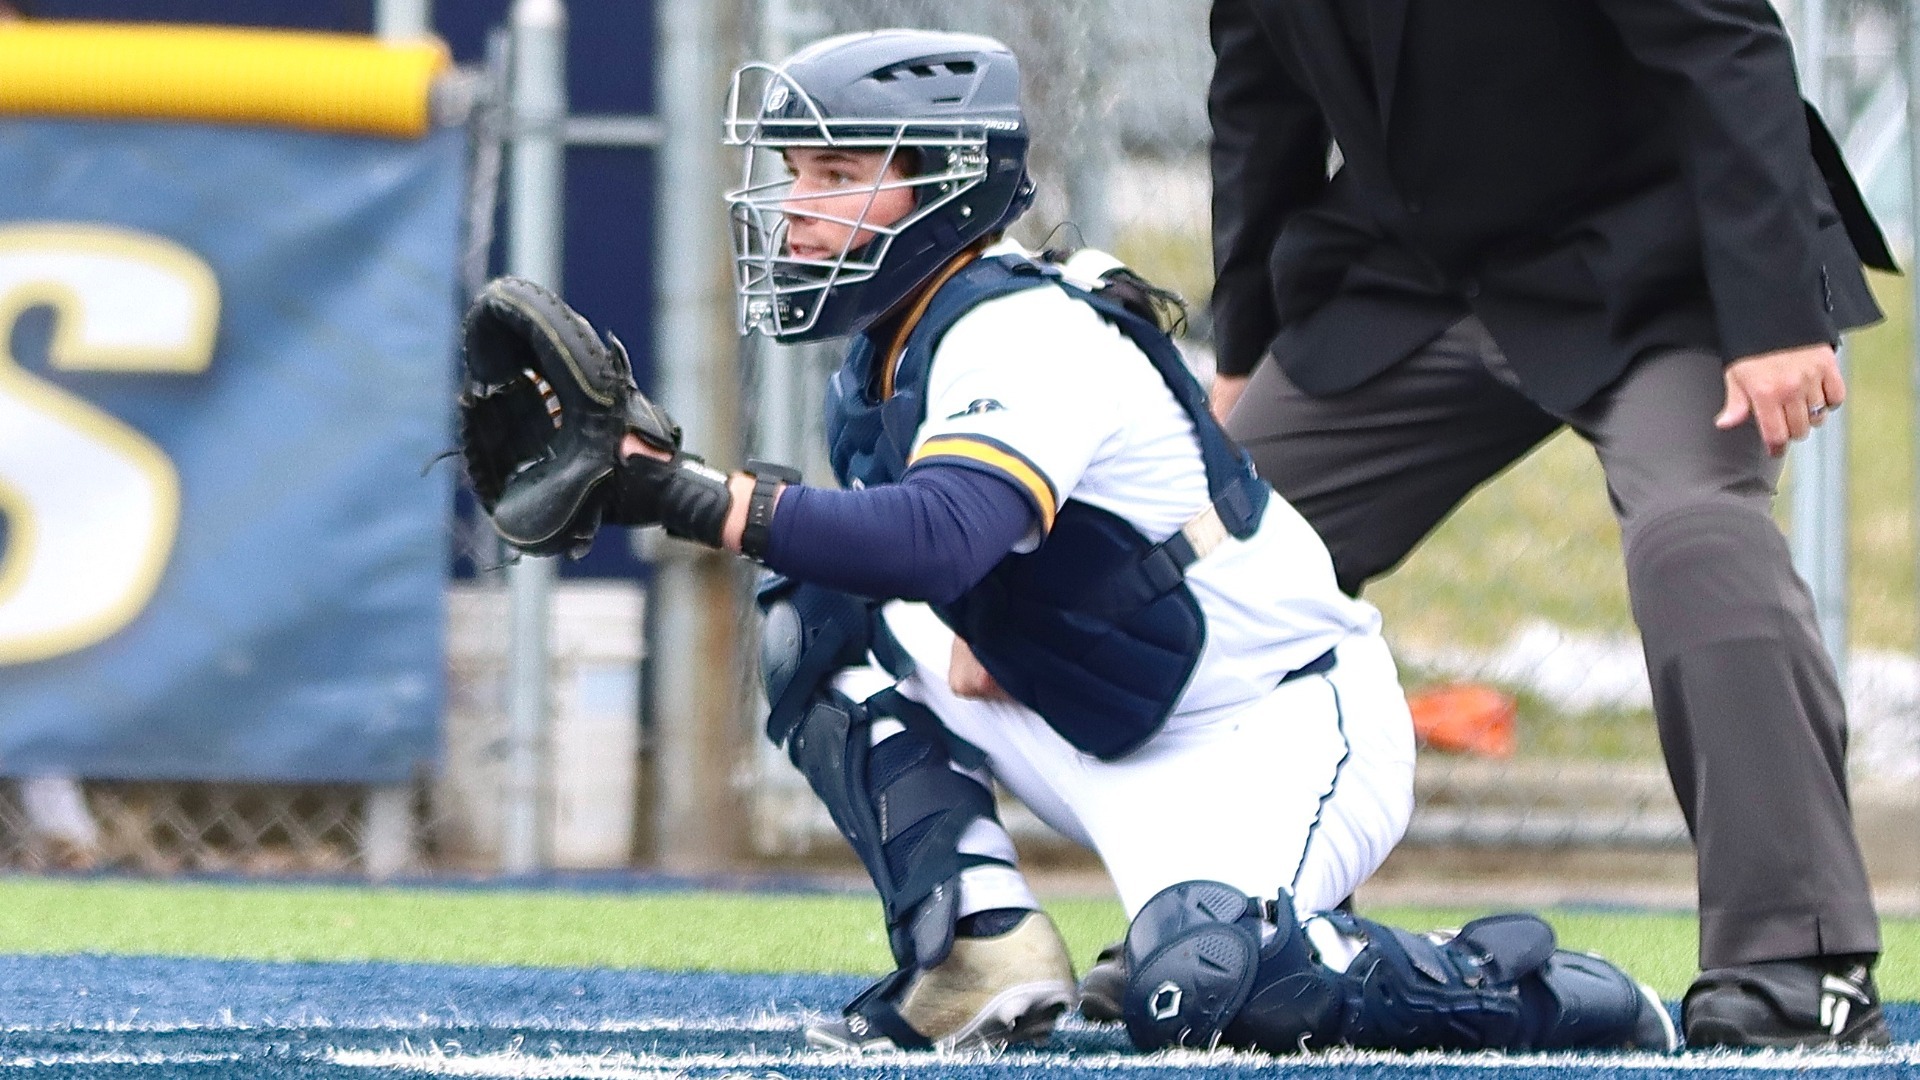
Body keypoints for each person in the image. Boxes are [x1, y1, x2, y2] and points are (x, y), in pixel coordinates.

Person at [457, 29, 1673, 1057]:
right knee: (815, 604)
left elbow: (942, 540)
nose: (802, 206)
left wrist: (692, 499)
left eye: (839, 171)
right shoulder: (891, 347)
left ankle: (1535, 994)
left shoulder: (1021, 327)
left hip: (1273, 723)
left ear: (946, 183)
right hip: (1099, 699)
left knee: (1200, 990)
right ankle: (979, 945)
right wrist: (660, 488)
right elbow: (911, 563)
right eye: (797, 171)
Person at [1204, 0, 1895, 1051]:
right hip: (1418, 278)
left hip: (1662, 256)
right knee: (1207, 555)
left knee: (1694, 538)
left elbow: (1728, 45)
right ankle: (1217, 925)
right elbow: (1260, 105)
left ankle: (1796, 963)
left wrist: (1773, 317)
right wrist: (1242, 352)